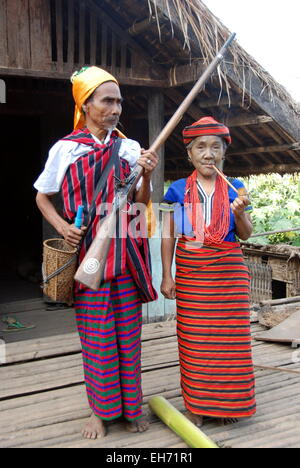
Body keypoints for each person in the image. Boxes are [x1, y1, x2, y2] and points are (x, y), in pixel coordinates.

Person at [34, 66, 158, 439]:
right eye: (107, 101)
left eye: (119, 101)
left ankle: (131, 408)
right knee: (97, 336)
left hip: (126, 252)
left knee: (128, 335)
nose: (116, 108)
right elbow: (43, 196)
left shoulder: (131, 148)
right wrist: (63, 227)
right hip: (90, 252)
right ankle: (100, 413)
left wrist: (147, 175)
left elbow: (141, 203)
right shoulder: (66, 149)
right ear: (85, 105)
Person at [160, 117, 256, 427]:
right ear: (189, 154)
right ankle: (196, 406)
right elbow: (169, 235)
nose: (208, 154)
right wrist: (167, 274)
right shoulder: (176, 190)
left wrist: (239, 213)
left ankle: (226, 404)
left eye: (216, 147)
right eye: (200, 147)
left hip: (229, 275)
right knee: (195, 341)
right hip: (193, 274)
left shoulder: (236, 188)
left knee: (230, 342)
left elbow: (246, 234)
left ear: (224, 152)